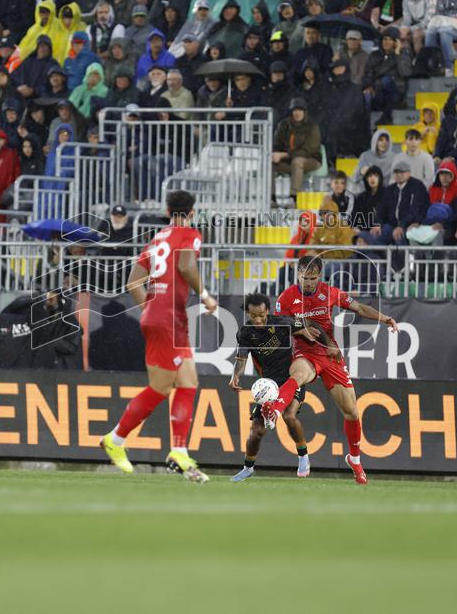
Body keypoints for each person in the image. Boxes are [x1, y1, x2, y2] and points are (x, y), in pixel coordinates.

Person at [100, 191, 218, 483]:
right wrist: (205, 296)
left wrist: (150, 309)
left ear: (167, 210)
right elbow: (186, 266)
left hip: (163, 317)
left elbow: (133, 282)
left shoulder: (156, 239)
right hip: (168, 320)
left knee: (188, 381)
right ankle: (116, 438)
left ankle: (178, 450)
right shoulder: (190, 233)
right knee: (161, 387)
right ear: (191, 212)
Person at [260, 255, 398, 485]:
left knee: (352, 412)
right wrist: (301, 331)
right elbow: (278, 326)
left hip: (330, 355)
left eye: (313, 278)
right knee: (298, 375)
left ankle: (354, 459)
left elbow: (358, 307)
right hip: (306, 353)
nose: (309, 283)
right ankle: (273, 411)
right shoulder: (286, 298)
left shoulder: (330, 292)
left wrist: (384, 318)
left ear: (319, 276)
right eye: (305, 278)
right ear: (298, 274)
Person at [228, 293, 328, 481]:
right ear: (247, 313)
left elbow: (311, 326)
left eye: (262, 315)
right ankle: (248, 467)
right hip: (269, 386)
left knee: (289, 416)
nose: (258, 320)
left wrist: (323, 342)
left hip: (292, 378)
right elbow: (241, 359)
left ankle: (303, 456)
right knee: (256, 431)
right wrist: (235, 377)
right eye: (253, 316)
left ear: (268, 310)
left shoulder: (282, 322)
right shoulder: (245, 333)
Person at [271, 97, 321, 203]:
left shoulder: (312, 126)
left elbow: (308, 150)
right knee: (269, 164)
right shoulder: (283, 125)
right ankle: (271, 197)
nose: (297, 113)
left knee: (298, 161)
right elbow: (276, 143)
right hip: (289, 162)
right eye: (294, 110)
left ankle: (293, 197)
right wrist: (275, 154)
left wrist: (284, 155)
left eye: (300, 110)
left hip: (311, 160)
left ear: (304, 111)